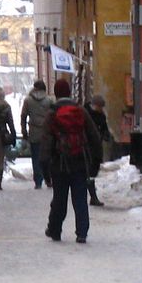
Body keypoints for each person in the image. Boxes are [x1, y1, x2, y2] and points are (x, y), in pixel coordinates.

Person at [41, 76, 102, 244]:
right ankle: (82, 232)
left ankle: (55, 230)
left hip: (59, 163)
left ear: (56, 93)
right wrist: (95, 162)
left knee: (59, 198)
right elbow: (94, 137)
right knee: (80, 198)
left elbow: (46, 142)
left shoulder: (52, 114)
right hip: (80, 161)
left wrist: (45, 168)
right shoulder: (80, 111)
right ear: (69, 92)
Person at [20, 78, 55, 189]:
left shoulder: (28, 100)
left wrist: (24, 131)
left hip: (34, 132)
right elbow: (54, 116)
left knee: (36, 157)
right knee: (48, 156)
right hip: (47, 132)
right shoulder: (50, 100)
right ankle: (49, 179)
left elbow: (23, 116)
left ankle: (38, 181)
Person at [83, 94, 112, 208]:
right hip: (86, 146)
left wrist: (106, 135)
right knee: (89, 171)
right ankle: (92, 196)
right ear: (94, 105)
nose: (101, 109)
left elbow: (104, 128)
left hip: (96, 146)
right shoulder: (85, 113)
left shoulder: (101, 115)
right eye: (100, 107)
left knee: (93, 170)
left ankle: (91, 194)